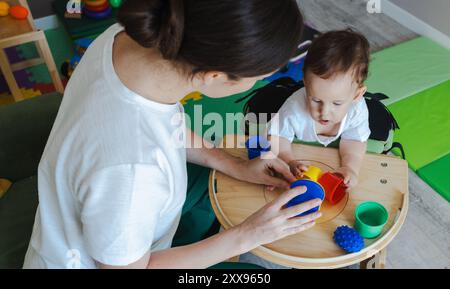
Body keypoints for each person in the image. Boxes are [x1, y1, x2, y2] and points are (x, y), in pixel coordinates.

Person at [23, 0, 322, 269]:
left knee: (213, 189)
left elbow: (162, 125)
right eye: (258, 78)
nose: (259, 83)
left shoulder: (128, 38)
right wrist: (247, 235)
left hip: (104, 224)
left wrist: (237, 165)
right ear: (213, 77)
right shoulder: (131, 172)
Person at [269, 30, 371, 190]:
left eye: (337, 103)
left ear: (357, 95)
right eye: (316, 100)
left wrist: (351, 168)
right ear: (306, 85)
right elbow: (276, 137)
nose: (324, 112)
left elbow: (355, 140)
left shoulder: (356, 111)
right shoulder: (294, 108)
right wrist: (289, 161)